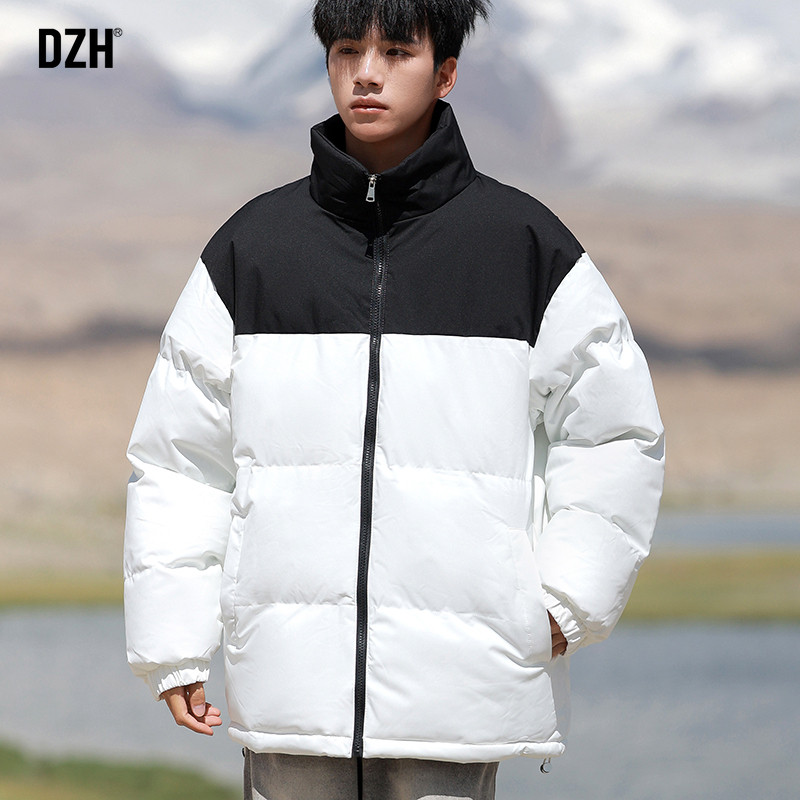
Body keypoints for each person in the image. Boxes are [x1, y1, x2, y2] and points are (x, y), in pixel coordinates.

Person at [123, 1, 665, 798]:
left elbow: (615, 435)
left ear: (446, 72)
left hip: (460, 696)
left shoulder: (522, 245)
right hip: (291, 696)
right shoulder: (253, 248)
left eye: (396, 52)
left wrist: (565, 600)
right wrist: (173, 641)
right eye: (347, 50)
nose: (366, 74)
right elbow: (180, 461)